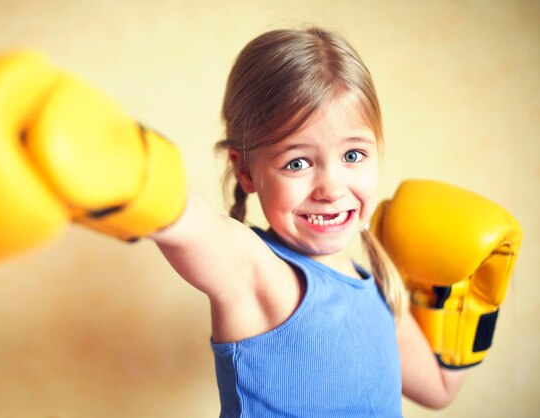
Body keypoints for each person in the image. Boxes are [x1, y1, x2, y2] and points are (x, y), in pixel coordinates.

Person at [150, 28, 466, 416]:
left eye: (353, 155)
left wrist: (468, 304)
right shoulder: (259, 273)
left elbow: (439, 389)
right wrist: (130, 172)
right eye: (297, 163)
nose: (331, 188)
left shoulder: (380, 288)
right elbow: (185, 222)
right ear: (245, 171)